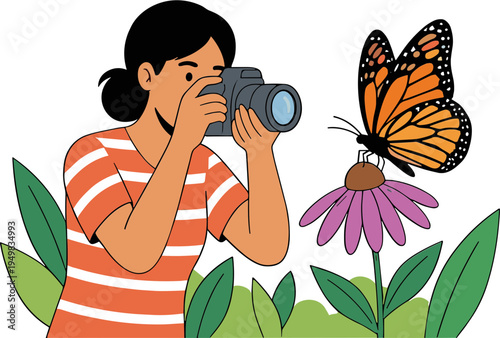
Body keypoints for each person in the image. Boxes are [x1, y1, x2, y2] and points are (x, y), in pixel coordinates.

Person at [47, 1, 289, 337]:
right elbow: (136, 254)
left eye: (215, 78)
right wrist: (181, 145)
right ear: (148, 76)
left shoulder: (202, 165)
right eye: (190, 74)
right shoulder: (91, 154)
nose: (202, 91)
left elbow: (267, 248)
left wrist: (259, 154)